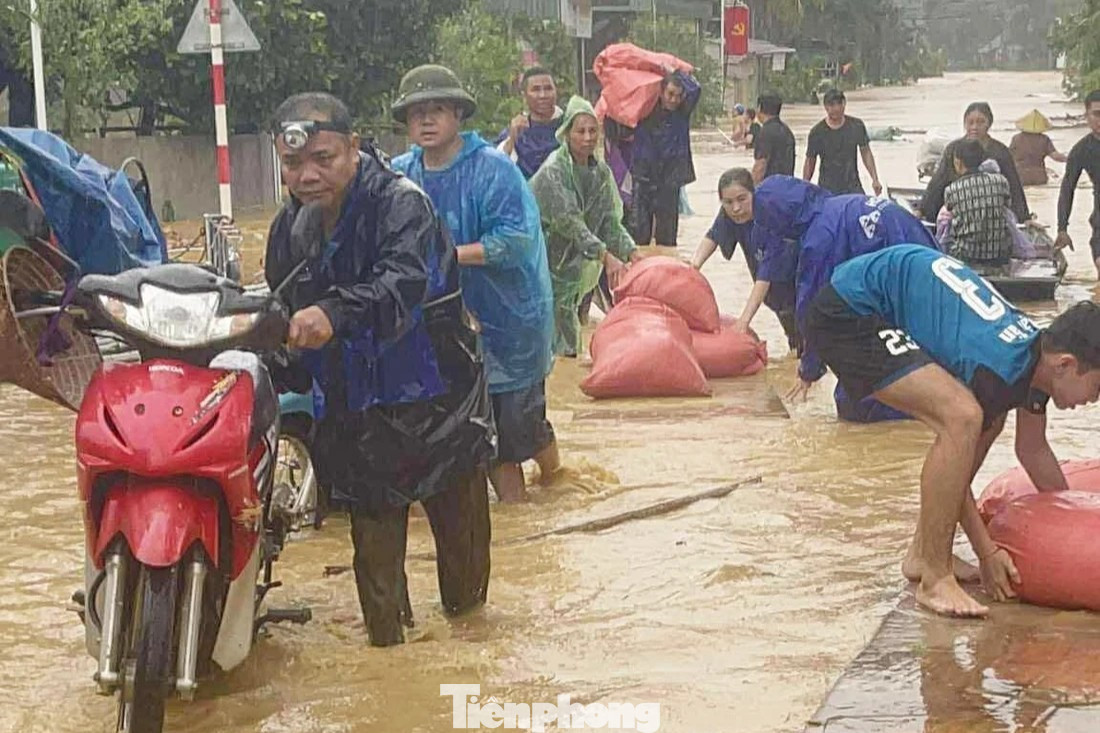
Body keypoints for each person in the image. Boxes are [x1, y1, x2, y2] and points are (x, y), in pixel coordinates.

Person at [263, 92, 494, 646]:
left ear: (355, 148)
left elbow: (403, 283)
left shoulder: (402, 204)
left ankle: (468, 664)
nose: (309, 174)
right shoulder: (290, 225)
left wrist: (332, 314)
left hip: (438, 401)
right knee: (377, 572)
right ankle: (392, 669)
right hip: (357, 409)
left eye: (324, 158)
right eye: (294, 164)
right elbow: (278, 300)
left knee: (464, 580)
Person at [805, 244, 1100, 617]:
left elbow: (1033, 449)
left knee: (988, 420)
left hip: (889, 291)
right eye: (1097, 387)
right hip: (851, 310)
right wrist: (986, 551)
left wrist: (1075, 519)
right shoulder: (997, 369)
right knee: (962, 418)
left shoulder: (1034, 359)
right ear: (1066, 364)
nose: (1093, 399)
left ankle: (922, 554)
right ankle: (934, 579)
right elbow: (955, 459)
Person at [390, 64, 559, 503]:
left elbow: (515, 242)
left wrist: (444, 257)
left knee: (511, 436)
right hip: (446, 327)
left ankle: (532, 516)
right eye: (416, 113)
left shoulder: (495, 170)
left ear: (458, 116)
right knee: (477, 438)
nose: (426, 121)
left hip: (509, 323)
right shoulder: (399, 175)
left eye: (437, 110)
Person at [732, 175, 938, 419]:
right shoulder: (840, 205)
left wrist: (809, 369)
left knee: (855, 404)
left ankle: (912, 417)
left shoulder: (819, 239)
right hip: (929, 274)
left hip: (902, 288)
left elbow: (815, 311)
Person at [530, 95, 642, 357]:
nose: (588, 137)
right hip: (545, 260)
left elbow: (608, 222)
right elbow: (570, 223)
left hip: (573, 267)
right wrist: (606, 257)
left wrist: (633, 253)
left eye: (593, 131)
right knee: (552, 334)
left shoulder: (600, 172)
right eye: (581, 131)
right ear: (567, 133)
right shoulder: (553, 171)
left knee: (569, 330)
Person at [689, 167, 799, 350]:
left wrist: (744, 321)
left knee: (808, 341)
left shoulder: (770, 218)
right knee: (794, 342)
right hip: (774, 295)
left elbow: (766, 275)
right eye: (728, 202)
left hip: (797, 284)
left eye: (742, 199)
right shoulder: (729, 215)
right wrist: (693, 267)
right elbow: (713, 236)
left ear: (753, 193)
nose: (736, 208)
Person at [922, 102, 1029, 224]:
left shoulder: (1000, 151)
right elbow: (938, 182)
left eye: (980, 122)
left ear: (989, 123)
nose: (974, 127)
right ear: (964, 123)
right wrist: (922, 210)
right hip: (958, 211)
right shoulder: (953, 149)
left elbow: (1014, 186)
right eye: (970, 122)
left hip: (992, 213)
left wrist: (1024, 217)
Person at [629, 69, 701, 247]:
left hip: (670, 180)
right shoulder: (644, 111)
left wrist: (673, 69)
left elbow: (695, 89)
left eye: (678, 95)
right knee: (638, 234)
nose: (674, 100)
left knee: (667, 237)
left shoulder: (682, 113)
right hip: (644, 177)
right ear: (660, 92)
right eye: (670, 94)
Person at [943, 139, 1012, 264]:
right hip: (999, 255)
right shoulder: (1001, 181)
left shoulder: (951, 190)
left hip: (965, 255)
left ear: (958, 163)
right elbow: (1007, 207)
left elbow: (950, 211)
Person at [1055, 89, 1100, 278]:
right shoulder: (1081, 150)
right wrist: (1062, 228)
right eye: (1097, 114)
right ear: (1087, 116)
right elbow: (1067, 189)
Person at [803, 89, 883, 196]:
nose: (835, 109)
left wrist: (875, 179)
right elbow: (810, 161)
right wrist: (804, 186)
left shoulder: (856, 126)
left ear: (844, 104)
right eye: (831, 105)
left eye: (838, 104)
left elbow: (866, 152)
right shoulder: (817, 132)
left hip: (852, 186)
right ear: (825, 107)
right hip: (828, 189)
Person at [495, 66, 563, 179]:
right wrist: (512, 139)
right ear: (524, 95)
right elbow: (496, 167)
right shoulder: (517, 131)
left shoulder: (569, 126)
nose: (543, 95)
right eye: (536, 90)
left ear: (556, 91)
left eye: (548, 88)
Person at [1009, 109, 1067, 186]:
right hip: (1039, 177)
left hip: (1021, 176)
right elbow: (1055, 156)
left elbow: (1008, 156)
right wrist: (1070, 159)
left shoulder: (1016, 139)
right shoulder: (1044, 139)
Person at [752, 93, 795, 183]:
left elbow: (760, 166)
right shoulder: (787, 131)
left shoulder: (765, 132)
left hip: (769, 188)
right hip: (787, 186)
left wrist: (752, 190)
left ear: (759, 108)